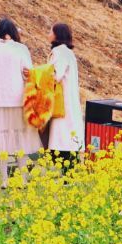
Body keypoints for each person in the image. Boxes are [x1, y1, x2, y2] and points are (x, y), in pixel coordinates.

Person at [0, 18, 38, 186]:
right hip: (18, 100)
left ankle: (4, 180)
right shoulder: (21, 49)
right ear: (13, 32)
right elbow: (29, 73)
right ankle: (23, 180)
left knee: (0, 140)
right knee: (21, 139)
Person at [46, 23, 85, 166]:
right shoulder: (68, 52)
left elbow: (55, 75)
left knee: (61, 140)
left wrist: (35, 74)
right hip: (70, 102)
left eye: (51, 31)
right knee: (69, 141)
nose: (48, 34)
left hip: (62, 103)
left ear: (57, 35)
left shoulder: (59, 52)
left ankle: (65, 171)